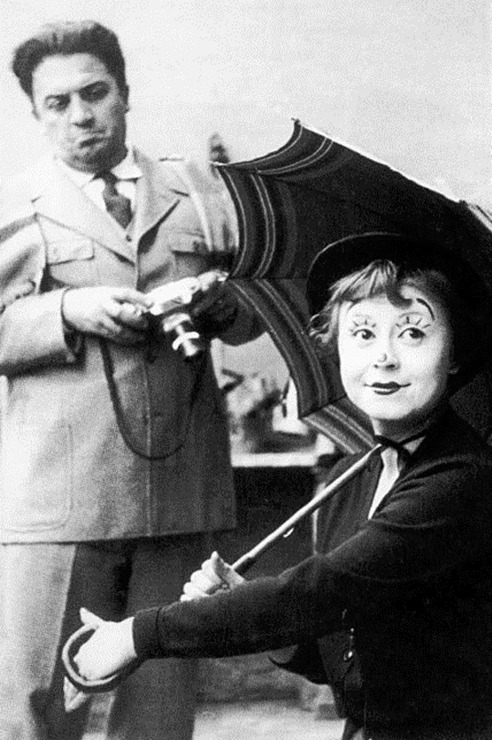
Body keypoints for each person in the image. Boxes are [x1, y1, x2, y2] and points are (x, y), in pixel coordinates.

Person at [73, 232, 492, 740]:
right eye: (362, 333)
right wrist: (248, 604)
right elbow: (338, 653)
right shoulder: (350, 478)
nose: (384, 356)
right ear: (335, 347)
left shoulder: (462, 480)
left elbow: (324, 591)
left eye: (413, 334)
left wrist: (138, 634)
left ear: (455, 353)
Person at [0, 19, 262, 740]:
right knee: (36, 706)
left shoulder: (200, 192)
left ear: (124, 92)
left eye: (95, 93)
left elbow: (258, 310)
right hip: (60, 500)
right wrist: (67, 310)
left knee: (161, 710)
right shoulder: (16, 205)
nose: (80, 115)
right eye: (58, 103)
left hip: (179, 492)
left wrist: (224, 306)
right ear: (36, 113)